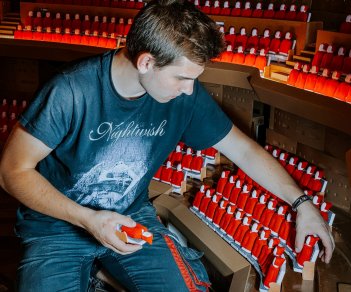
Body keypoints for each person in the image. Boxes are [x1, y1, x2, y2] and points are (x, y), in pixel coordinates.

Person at [0, 0, 334, 290]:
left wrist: (302, 203)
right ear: (146, 62)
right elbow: (12, 171)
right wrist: (89, 219)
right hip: (57, 228)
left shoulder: (184, 96)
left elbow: (244, 150)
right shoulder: (71, 91)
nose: (190, 90)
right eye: (182, 78)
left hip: (131, 220)